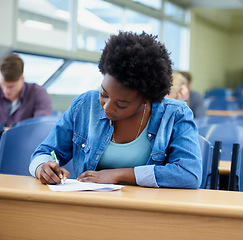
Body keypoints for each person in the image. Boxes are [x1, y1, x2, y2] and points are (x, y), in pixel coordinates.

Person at [29, 31, 202, 189]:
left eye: (122, 104)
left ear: (147, 98)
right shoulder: (84, 104)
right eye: (104, 94)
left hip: (147, 209)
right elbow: (44, 152)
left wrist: (119, 174)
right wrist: (42, 167)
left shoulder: (175, 114)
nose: (107, 107)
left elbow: (189, 174)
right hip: (92, 205)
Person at [0, 54, 52, 130]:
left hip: (27, 141)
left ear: (22, 79)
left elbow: (41, 127)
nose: (5, 91)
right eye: (2, 85)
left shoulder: (38, 92)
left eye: (11, 87)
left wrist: (12, 131)